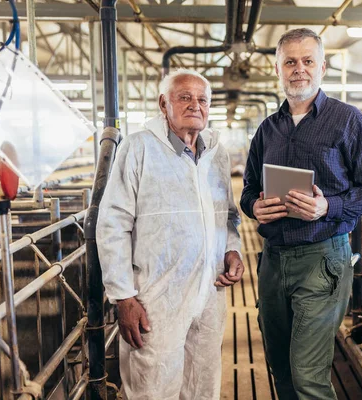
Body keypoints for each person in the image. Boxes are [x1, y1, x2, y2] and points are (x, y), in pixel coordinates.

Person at [240, 28, 362, 399]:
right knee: (280, 366)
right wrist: (254, 207)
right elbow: (247, 190)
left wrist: (329, 206)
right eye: (290, 62)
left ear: (322, 66)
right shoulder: (268, 129)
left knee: (308, 376)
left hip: (321, 258)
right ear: (277, 69)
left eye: (308, 60)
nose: (299, 69)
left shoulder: (347, 121)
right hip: (273, 262)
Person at [96, 69, 244, 400]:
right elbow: (113, 222)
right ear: (164, 104)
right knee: (154, 386)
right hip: (156, 296)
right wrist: (123, 296)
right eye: (185, 97)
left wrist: (232, 251)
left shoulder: (216, 154)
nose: (196, 105)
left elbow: (228, 215)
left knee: (202, 383)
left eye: (202, 99)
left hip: (209, 291)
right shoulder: (139, 148)